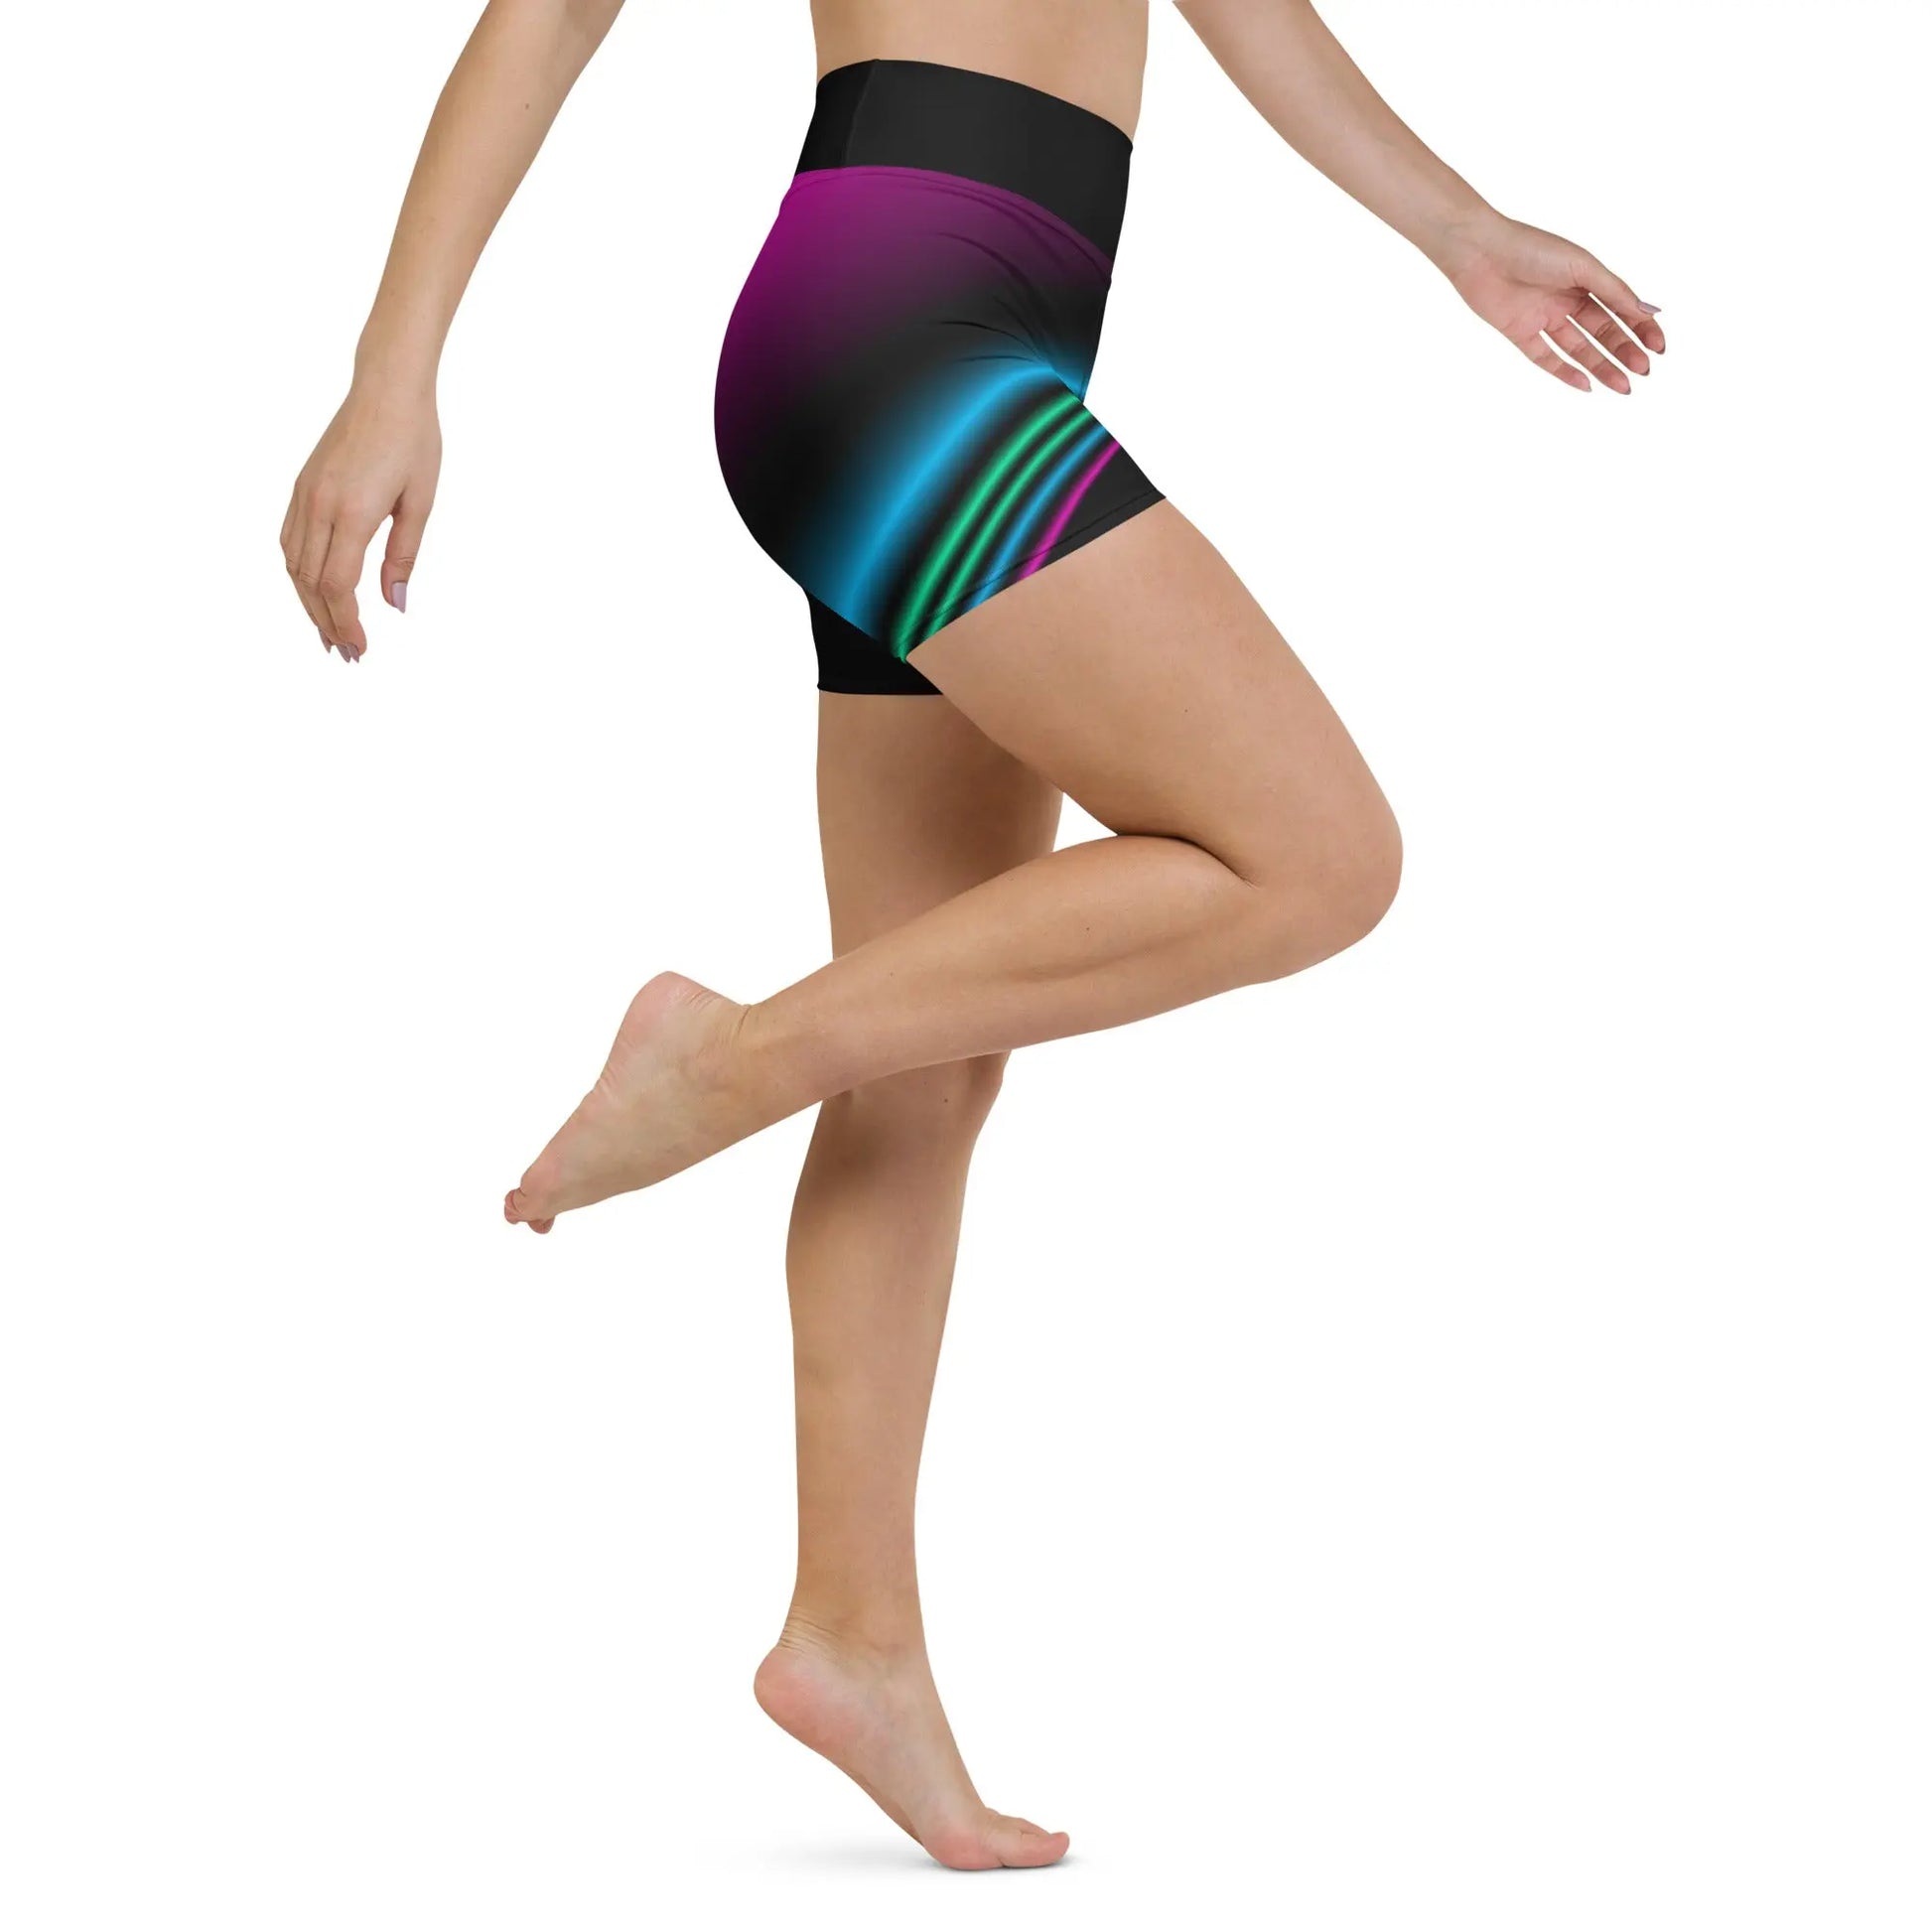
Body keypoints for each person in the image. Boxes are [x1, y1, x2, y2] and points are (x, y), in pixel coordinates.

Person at [280, 0, 1663, 1871]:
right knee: (1317, 855)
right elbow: (542, 22)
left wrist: (1458, 231)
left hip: (958, 340)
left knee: (923, 1059)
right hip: (893, 344)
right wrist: (393, 372)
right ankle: (722, 1060)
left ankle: (850, 1633)